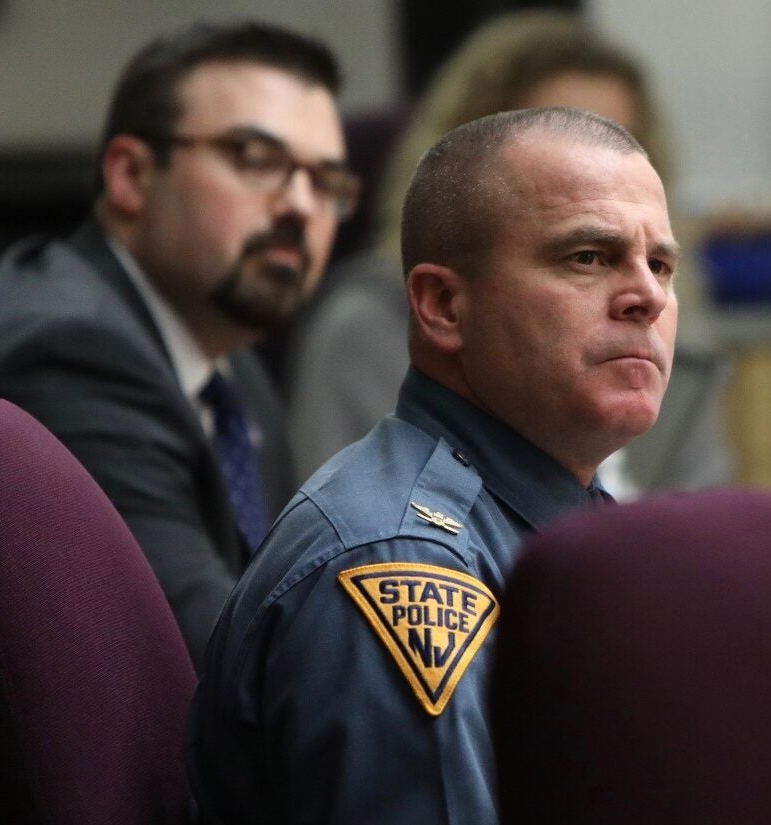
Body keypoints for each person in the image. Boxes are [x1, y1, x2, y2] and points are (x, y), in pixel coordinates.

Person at [0, 20, 355, 823]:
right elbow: (223, 669)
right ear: (130, 174)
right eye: (257, 159)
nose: (302, 206)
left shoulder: (228, 368)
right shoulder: (67, 347)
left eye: (328, 180)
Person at [187, 107, 678, 824]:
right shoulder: (404, 565)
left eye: (659, 263)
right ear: (443, 304)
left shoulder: (555, 522)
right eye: (588, 257)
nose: (649, 296)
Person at [284, 10, 732, 494]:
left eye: (618, 141)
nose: (648, 295)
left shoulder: (674, 337)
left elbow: (708, 543)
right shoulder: (366, 328)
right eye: (585, 258)